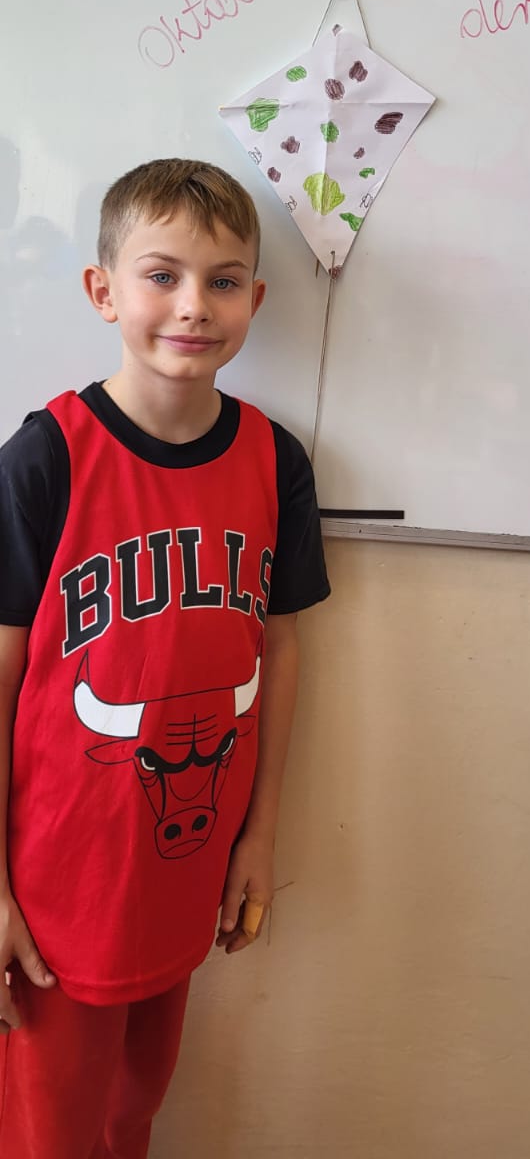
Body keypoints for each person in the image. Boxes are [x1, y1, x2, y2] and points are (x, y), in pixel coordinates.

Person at [0, 158, 330, 1158]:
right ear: (103, 290)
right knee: (48, 1132)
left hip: (186, 867)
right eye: (162, 275)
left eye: (222, 280)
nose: (193, 305)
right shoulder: (44, 457)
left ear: (254, 301)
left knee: (131, 1113)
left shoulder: (275, 459)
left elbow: (280, 648)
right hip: (57, 886)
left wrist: (258, 837)